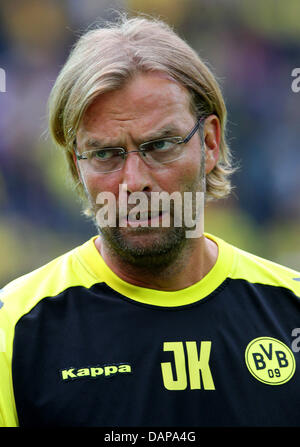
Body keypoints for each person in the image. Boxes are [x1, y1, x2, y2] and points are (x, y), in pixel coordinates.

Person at [0, 15, 299, 428]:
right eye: (105, 154)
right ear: (75, 165)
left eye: (160, 145)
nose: (134, 183)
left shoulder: (290, 310)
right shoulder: (13, 331)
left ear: (209, 143)